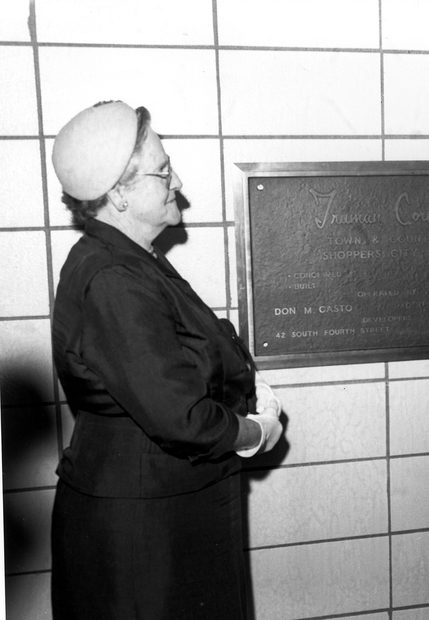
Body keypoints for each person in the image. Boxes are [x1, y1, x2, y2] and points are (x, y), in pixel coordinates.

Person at [50, 101, 283, 620]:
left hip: (167, 514)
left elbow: (199, 351)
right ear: (118, 196)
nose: (176, 180)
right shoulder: (112, 279)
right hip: (143, 536)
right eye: (161, 171)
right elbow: (182, 418)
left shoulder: (135, 261)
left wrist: (248, 383)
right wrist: (257, 431)